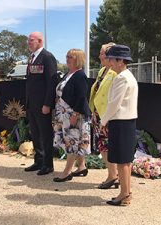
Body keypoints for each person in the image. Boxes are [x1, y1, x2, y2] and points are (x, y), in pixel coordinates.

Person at [100, 44, 138, 206]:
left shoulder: (122, 78)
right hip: (125, 122)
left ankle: (124, 194)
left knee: (122, 161)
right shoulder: (126, 75)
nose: (109, 62)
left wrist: (103, 121)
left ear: (121, 60)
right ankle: (126, 192)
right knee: (125, 161)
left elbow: (114, 103)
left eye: (112, 59)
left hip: (121, 122)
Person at [52, 49, 91, 182]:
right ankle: (81, 166)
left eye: (71, 57)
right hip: (64, 114)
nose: (67, 59)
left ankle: (67, 172)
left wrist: (75, 114)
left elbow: (81, 97)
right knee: (75, 140)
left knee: (71, 142)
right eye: (67, 56)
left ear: (78, 59)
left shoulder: (80, 75)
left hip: (74, 114)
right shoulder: (68, 74)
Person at [24, 31, 58, 175]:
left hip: (43, 104)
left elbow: (51, 82)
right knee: (35, 133)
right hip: (32, 104)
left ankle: (48, 164)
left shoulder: (47, 57)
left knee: (45, 134)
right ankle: (38, 160)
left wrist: (47, 104)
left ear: (40, 41)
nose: (28, 43)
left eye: (31, 40)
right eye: (28, 40)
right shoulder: (31, 58)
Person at [89, 43, 119, 189]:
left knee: (107, 146)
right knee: (102, 146)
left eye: (102, 53)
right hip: (97, 114)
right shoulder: (102, 71)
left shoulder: (115, 73)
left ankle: (113, 176)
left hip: (107, 116)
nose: (100, 56)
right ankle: (113, 174)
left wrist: (106, 118)